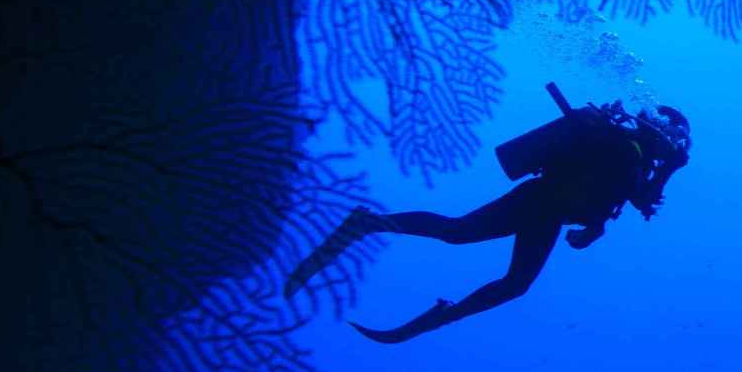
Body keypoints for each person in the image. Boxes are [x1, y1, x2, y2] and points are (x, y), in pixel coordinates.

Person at [285, 85, 691, 343]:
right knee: (458, 233)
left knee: (505, 276)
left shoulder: (634, 159)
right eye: (675, 140)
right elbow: (622, 190)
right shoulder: (628, 150)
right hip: (538, 201)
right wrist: (664, 173)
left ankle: (437, 310)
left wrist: (597, 225)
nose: (674, 148)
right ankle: (366, 225)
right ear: (665, 133)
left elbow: (618, 197)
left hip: (547, 212)